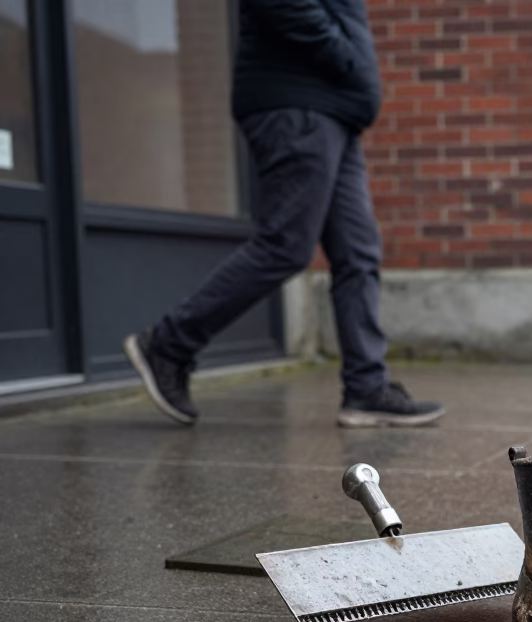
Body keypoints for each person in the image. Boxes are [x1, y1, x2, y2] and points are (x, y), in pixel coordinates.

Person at [123, 0, 444, 428]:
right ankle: (167, 343)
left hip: (335, 112)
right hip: (299, 105)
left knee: (358, 253)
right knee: (286, 246)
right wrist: (344, 56)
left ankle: (367, 389)